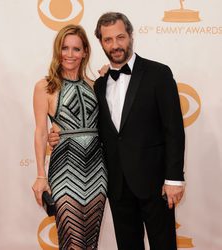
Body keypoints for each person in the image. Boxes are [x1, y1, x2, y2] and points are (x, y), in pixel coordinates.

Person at [49, 12, 185, 250]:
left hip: (155, 184)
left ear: (131, 36)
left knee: (163, 245)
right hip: (116, 184)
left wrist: (174, 178)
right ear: (100, 43)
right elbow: (91, 126)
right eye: (108, 39)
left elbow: (173, 128)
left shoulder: (158, 74)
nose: (115, 45)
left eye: (120, 37)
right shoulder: (98, 85)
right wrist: (58, 131)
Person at [32, 24, 107, 250]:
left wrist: (107, 77)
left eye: (76, 49)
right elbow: (41, 132)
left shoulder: (96, 86)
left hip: (97, 170)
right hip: (65, 169)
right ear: (58, 51)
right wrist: (40, 176)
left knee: (90, 242)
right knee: (71, 241)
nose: (70, 55)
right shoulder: (45, 86)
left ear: (85, 51)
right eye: (65, 48)